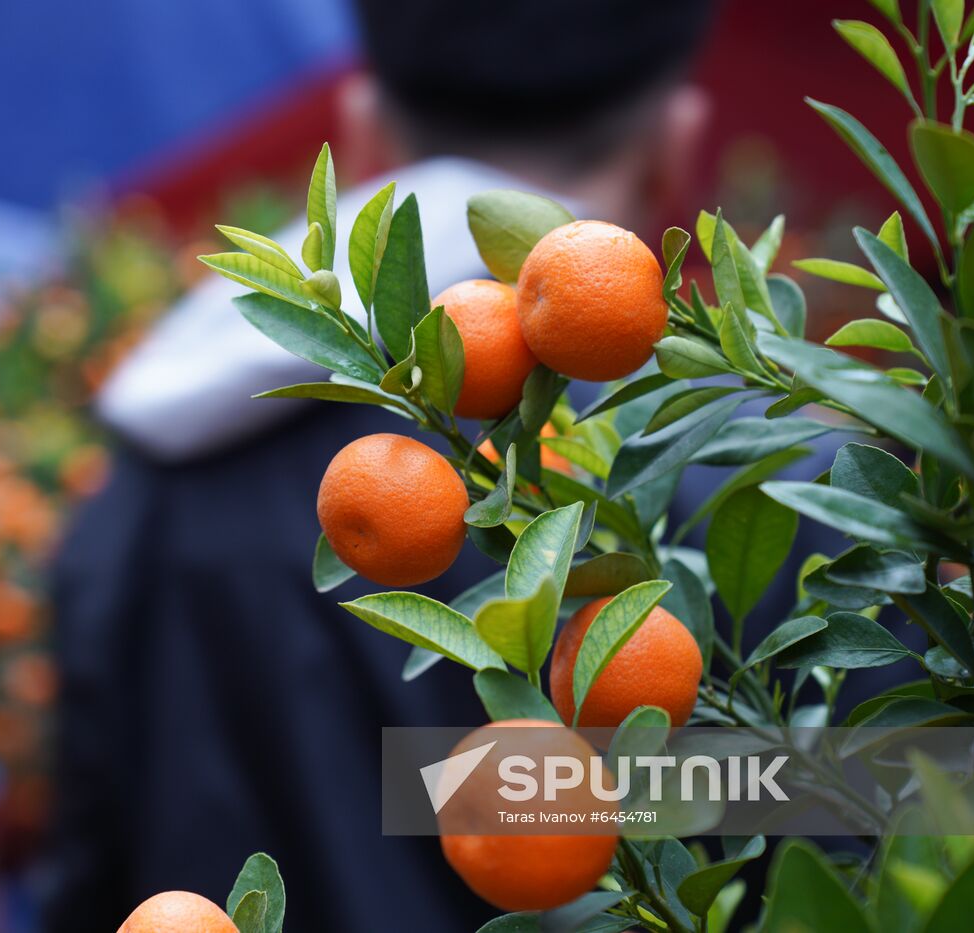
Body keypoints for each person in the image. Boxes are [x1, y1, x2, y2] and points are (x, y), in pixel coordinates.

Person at [43, 2, 719, 930]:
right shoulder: (743, 465)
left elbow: (97, 860)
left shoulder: (151, 468)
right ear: (674, 149)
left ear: (359, 140)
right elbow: (877, 834)